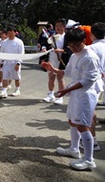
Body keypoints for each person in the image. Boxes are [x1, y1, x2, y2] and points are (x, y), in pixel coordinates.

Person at [41, 28, 103, 171]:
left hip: (85, 95)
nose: (73, 48)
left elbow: (88, 80)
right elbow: (66, 72)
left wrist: (66, 90)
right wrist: (52, 69)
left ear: (83, 41)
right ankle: (74, 149)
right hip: (76, 93)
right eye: (70, 46)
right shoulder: (75, 55)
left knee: (82, 125)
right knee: (72, 121)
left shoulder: (90, 57)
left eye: (76, 45)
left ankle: (89, 160)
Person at [80, 22, 105, 151]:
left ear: (92, 34)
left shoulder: (92, 48)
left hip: (92, 82)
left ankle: (92, 141)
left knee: (89, 112)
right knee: (90, 110)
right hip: (101, 83)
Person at [43, 18, 72, 105]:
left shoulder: (67, 36)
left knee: (60, 77)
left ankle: (60, 96)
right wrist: (44, 48)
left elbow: (70, 48)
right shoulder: (52, 35)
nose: (57, 28)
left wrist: (62, 50)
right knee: (51, 76)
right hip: (52, 58)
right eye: (56, 26)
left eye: (59, 26)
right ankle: (50, 94)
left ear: (64, 27)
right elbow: (46, 44)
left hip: (62, 59)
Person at [0, 26, 24, 98]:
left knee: (16, 77)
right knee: (5, 77)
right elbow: (2, 52)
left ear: (15, 33)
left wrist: (18, 63)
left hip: (15, 62)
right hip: (7, 63)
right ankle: (4, 91)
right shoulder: (4, 42)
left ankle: (17, 89)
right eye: (8, 32)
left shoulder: (19, 42)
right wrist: (0, 62)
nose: (10, 33)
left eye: (11, 32)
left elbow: (21, 53)